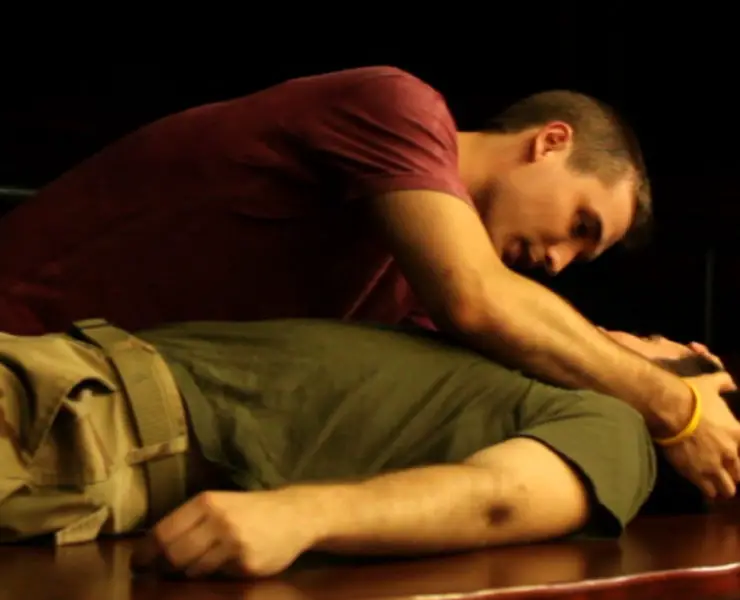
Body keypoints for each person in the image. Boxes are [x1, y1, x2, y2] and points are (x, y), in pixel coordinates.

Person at [0, 66, 736, 499]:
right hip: (19, 364)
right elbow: (481, 302)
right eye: (580, 224)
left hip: (82, 432)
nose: (560, 261)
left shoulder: (411, 292)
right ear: (550, 142)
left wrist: (671, 366)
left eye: (585, 255)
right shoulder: (397, 108)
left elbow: (528, 353)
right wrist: (677, 408)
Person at [0, 317, 730, 578]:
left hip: (80, 421)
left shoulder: (619, 421)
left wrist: (301, 514)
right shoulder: (514, 366)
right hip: (72, 384)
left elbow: (504, 498)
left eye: (653, 339)